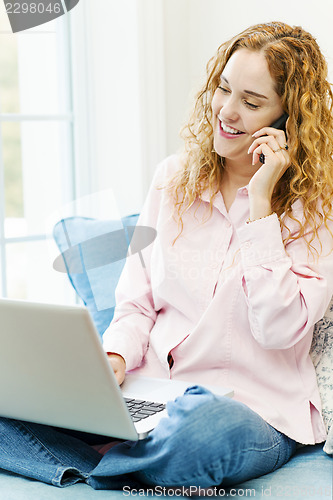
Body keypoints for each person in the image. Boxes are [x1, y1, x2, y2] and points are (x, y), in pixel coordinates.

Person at [1, 21, 333, 491]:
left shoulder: (317, 207)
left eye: (252, 102)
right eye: (223, 89)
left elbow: (279, 329)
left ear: (287, 118)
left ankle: (89, 462)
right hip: (154, 392)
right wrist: (114, 358)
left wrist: (261, 207)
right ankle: (115, 462)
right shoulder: (174, 180)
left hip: (251, 410)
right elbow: (137, 304)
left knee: (207, 430)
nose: (227, 111)